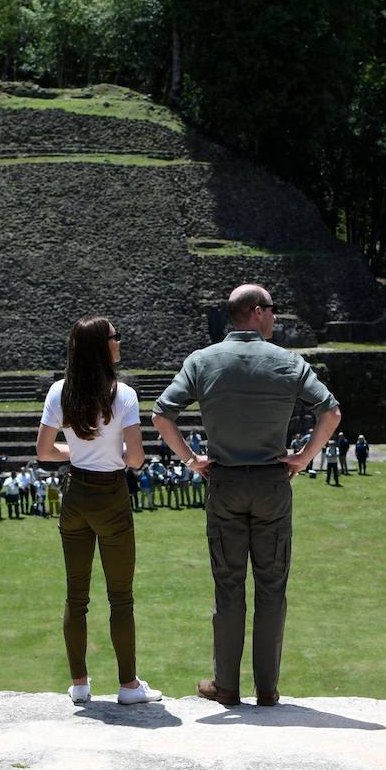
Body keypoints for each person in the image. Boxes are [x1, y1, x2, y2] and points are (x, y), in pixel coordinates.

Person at [153, 284, 340, 708]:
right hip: (273, 484)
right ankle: (268, 688)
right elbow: (331, 413)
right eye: (272, 310)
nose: (275, 316)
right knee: (272, 587)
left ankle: (226, 685)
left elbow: (162, 415)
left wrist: (191, 460)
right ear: (256, 312)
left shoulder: (202, 361)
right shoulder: (288, 362)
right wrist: (303, 458)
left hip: (224, 483)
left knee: (228, 586)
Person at [37, 315, 161, 706]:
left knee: (77, 596)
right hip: (110, 495)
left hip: (75, 492)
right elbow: (137, 459)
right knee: (120, 598)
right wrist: (113, 454)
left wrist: (75, 451)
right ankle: (127, 685)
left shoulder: (59, 392)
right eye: (114, 337)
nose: (119, 342)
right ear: (101, 346)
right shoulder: (122, 395)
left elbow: (43, 452)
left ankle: (79, 682)